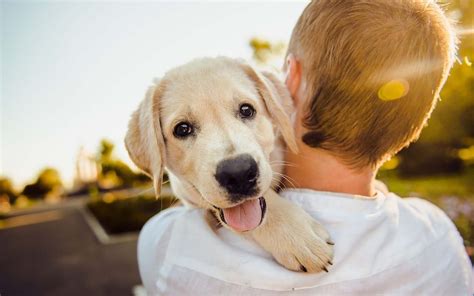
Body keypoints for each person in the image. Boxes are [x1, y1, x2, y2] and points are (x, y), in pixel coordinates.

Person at [138, 0, 473, 294]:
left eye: (245, 111)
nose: (233, 156)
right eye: (184, 129)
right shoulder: (437, 235)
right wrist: (271, 215)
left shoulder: (169, 248)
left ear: (289, 81)